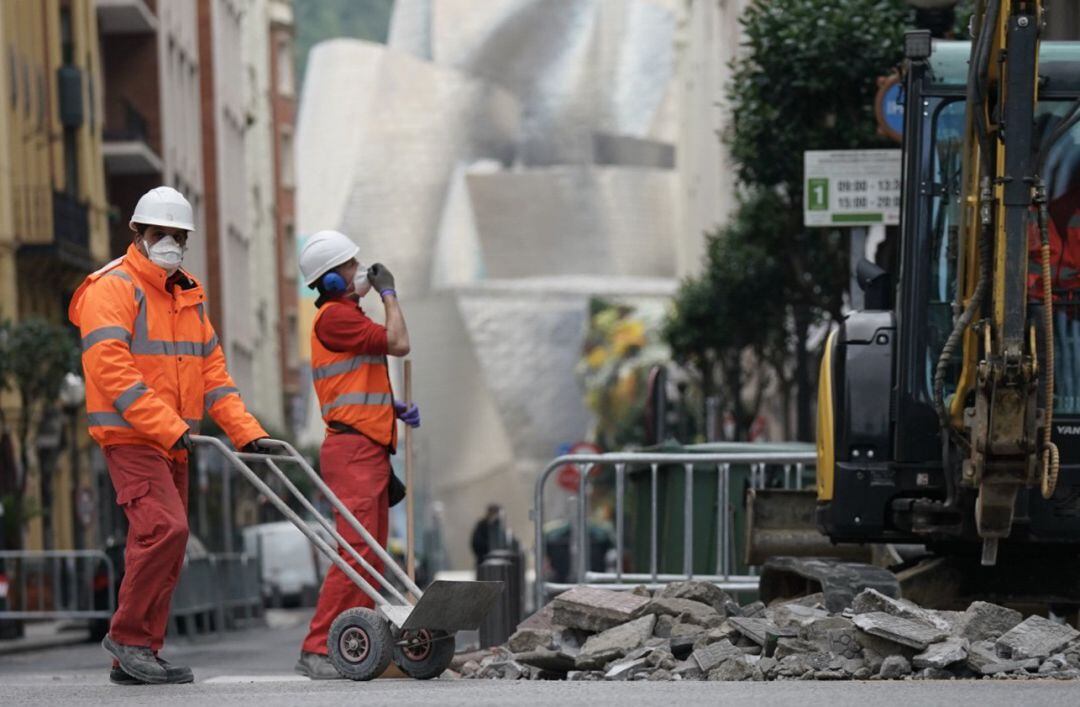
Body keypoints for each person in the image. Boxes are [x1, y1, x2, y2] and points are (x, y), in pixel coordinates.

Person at [68, 186, 269, 685]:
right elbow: (112, 371)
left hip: (175, 445)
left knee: (165, 543)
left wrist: (247, 434)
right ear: (137, 232)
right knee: (166, 530)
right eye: (160, 234)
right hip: (132, 438)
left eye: (179, 237)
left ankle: (137, 654)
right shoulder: (113, 287)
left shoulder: (187, 297)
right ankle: (129, 639)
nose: (170, 244)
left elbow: (214, 377)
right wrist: (168, 427)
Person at [294, 230, 420, 679]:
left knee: (371, 557)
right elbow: (399, 342)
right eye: (351, 265)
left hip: (366, 447)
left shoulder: (347, 316)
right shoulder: (334, 318)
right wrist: (389, 293)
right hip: (353, 451)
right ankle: (317, 648)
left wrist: (392, 408)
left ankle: (356, 644)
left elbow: (353, 385)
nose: (360, 270)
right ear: (331, 279)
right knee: (357, 554)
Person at [470, 503, 505, 568]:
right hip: (483, 559)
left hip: (497, 561)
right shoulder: (481, 525)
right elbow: (476, 542)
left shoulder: (498, 525)